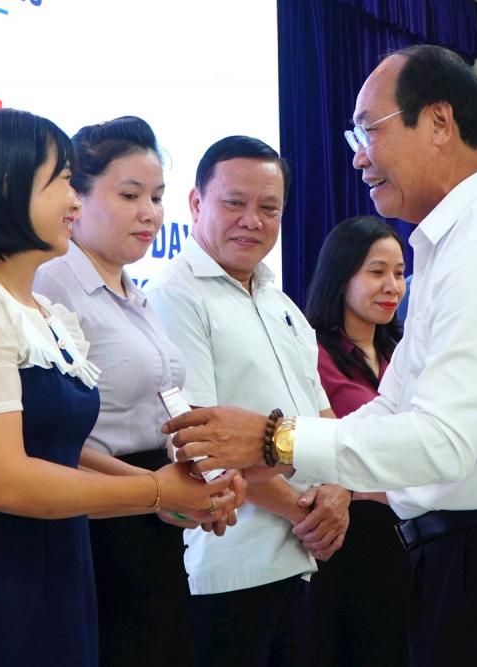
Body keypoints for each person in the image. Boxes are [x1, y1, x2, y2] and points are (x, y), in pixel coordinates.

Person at [164, 45, 477, 667]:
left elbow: (443, 441)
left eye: (369, 130)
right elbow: (395, 404)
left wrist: (274, 441)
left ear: (440, 123)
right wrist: (320, 472)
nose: (359, 156)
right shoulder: (455, 243)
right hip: (472, 555)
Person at [0, 108, 238, 667]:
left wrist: (175, 492)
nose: (74, 201)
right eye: (62, 183)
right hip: (12, 561)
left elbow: (68, 449)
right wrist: (157, 492)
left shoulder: (45, 312)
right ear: (6, 187)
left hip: (70, 557)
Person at [148, 135, 347, 667]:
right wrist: (307, 511)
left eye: (269, 208)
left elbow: (322, 411)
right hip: (229, 560)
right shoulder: (175, 296)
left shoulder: (280, 301)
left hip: (302, 558)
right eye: (234, 203)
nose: (252, 221)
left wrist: (337, 490)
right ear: (195, 204)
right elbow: (200, 445)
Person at [32, 116, 197, 666]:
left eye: (156, 196)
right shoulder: (51, 282)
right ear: (74, 197)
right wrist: (157, 488)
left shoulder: (135, 289)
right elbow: (47, 434)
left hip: (157, 515)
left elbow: (166, 402)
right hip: (100, 518)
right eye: (130, 195)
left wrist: (206, 478)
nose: (150, 213)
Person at [302, 216, 411, 666]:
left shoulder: (403, 351)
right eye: (377, 271)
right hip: (347, 540)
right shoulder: (311, 352)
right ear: (340, 275)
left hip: (406, 537)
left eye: (400, 273)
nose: (392, 286)